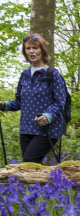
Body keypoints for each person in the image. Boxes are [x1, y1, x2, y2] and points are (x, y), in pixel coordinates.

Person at [0, 34, 67, 164]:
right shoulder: (24, 75)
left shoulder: (53, 75)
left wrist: (48, 116)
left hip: (47, 129)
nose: (31, 51)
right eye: (28, 48)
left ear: (42, 50)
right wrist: (4, 105)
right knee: (29, 166)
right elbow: (19, 102)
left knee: (29, 160)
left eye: (35, 48)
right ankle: (46, 184)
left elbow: (60, 103)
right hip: (26, 128)